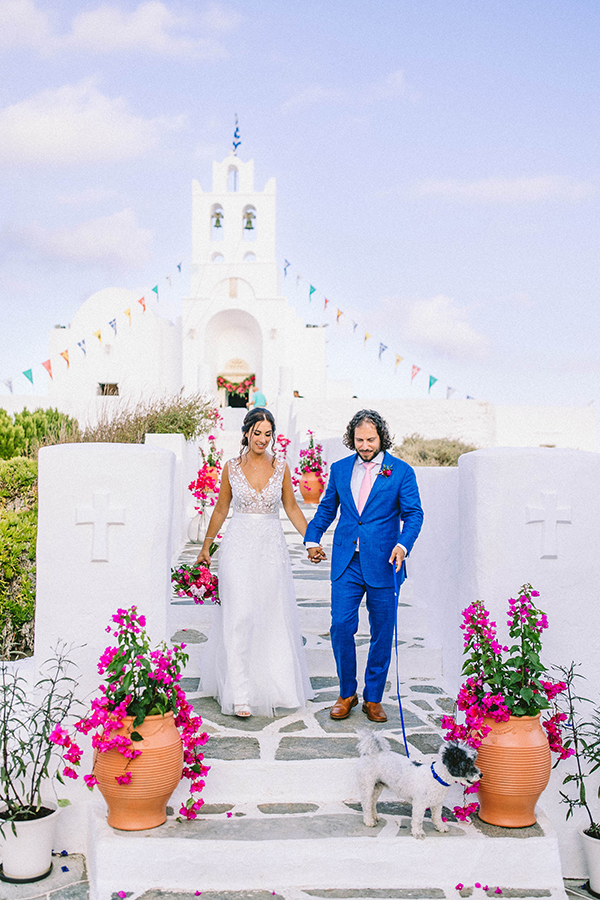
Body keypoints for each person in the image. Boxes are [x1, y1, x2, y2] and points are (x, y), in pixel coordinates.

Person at [304, 410, 423, 723]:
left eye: (371, 439)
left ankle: (373, 698)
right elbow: (327, 509)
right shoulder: (341, 469)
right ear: (351, 439)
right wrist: (311, 539)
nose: (366, 445)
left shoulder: (401, 471)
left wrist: (403, 545)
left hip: (385, 561)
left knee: (382, 633)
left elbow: (414, 515)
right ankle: (347, 692)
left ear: (381, 437)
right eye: (360, 440)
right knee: (341, 625)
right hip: (347, 561)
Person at [197, 407, 314, 718]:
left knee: (272, 614)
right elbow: (221, 509)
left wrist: (311, 540)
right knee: (240, 614)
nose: (262, 439)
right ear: (246, 433)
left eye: (268, 434)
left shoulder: (281, 468)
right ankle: (240, 693)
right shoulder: (231, 468)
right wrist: (206, 547)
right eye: (257, 432)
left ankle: (278, 688)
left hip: (271, 547)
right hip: (238, 547)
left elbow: (291, 507)